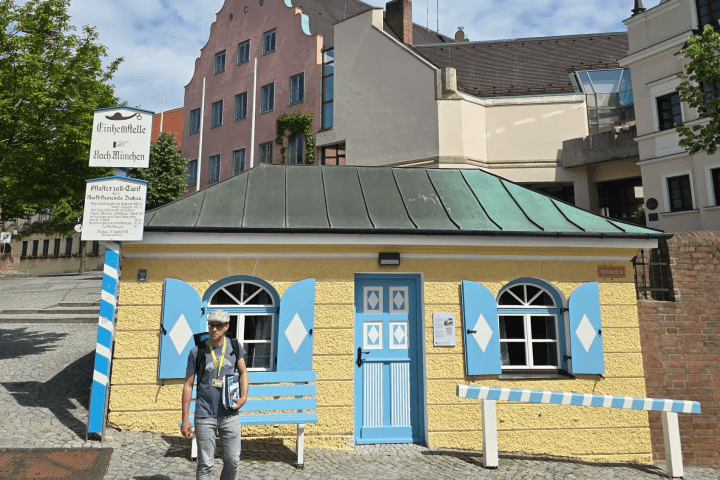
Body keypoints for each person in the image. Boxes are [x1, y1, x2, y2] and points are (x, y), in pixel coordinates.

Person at [181, 310, 249, 480]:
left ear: (226, 327)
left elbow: (243, 372)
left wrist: (244, 397)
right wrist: (185, 418)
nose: (214, 329)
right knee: (205, 464)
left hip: (230, 414)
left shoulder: (234, 346)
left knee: (233, 461)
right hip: (205, 415)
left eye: (218, 326)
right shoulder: (197, 351)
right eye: (211, 325)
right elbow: (188, 384)